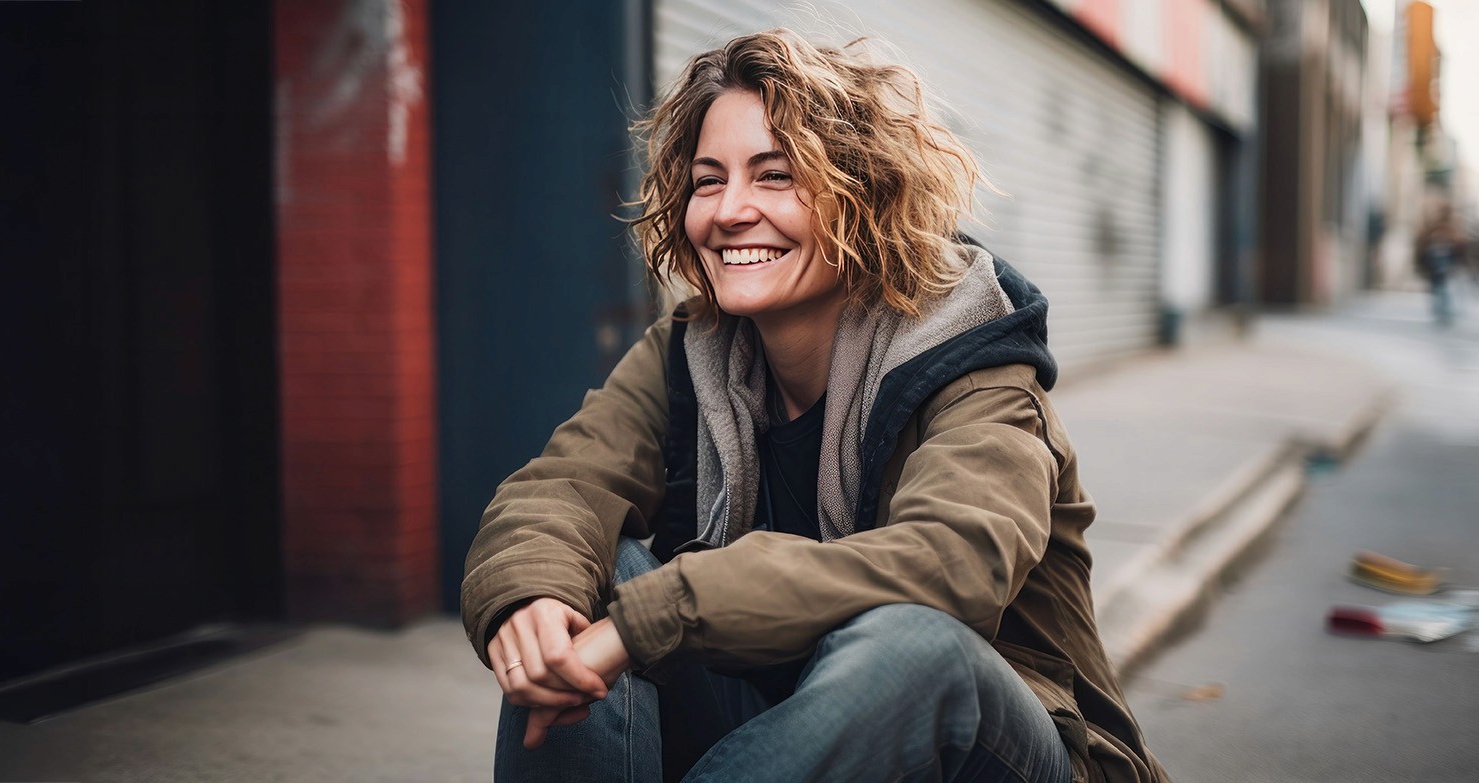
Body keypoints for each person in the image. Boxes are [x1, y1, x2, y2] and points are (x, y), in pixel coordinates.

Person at [462, 29, 1168, 783]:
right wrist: (532, 598)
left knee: (911, 646)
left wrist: (661, 614)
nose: (730, 210)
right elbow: (563, 485)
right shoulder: (691, 352)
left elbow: (952, 562)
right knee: (598, 566)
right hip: (791, 732)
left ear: (862, 193)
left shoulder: (971, 357)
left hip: (1006, 747)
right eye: (708, 180)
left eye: (774, 175)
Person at [1415, 202, 1467, 327]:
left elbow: (1459, 245)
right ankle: (1441, 311)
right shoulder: (1435, 227)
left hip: (1446, 262)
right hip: (1436, 262)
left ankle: (1443, 311)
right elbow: (1423, 243)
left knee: (1443, 287)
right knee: (1439, 287)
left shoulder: (1452, 227)